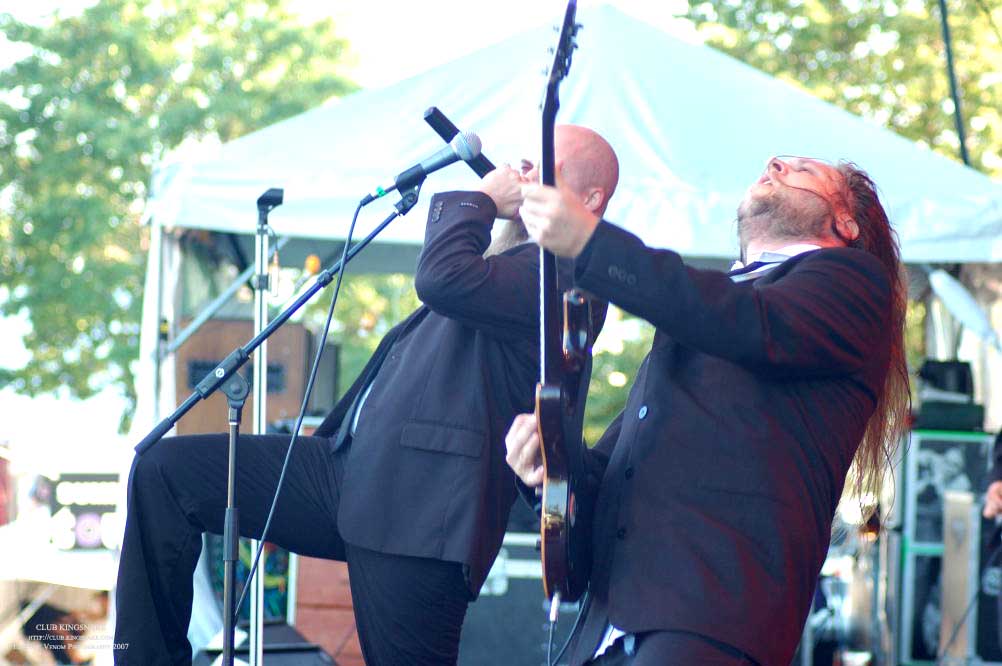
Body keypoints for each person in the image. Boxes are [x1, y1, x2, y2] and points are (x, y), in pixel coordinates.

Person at [113, 124, 619, 665]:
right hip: (346, 471)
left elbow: (441, 278)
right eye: (526, 159)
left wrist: (480, 200)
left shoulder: (569, 279)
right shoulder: (512, 264)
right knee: (164, 473)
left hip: (420, 515)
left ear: (590, 199)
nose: (525, 172)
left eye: (546, 166)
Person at [505, 155, 910, 665]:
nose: (774, 163)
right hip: (613, 624)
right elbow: (610, 479)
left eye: (803, 170)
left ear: (845, 224)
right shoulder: (702, 314)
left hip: (710, 616)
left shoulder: (852, 282)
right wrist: (550, 468)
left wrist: (590, 242)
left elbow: (745, 320)